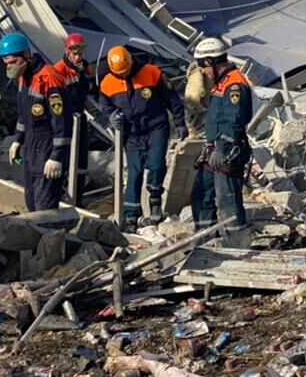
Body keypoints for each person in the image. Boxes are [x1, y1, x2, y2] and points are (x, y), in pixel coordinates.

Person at [99, 46, 187, 231]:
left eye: (126, 72)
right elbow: (104, 106)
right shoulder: (107, 83)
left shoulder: (152, 73)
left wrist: (180, 123)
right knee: (134, 173)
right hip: (131, 133)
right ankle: (131, 216)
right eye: (120, 74)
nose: (124, 76)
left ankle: (155, 198)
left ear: (131, 62)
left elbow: (172, 100)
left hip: (155, 126)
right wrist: (112, 116)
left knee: (156, 164)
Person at [0, 32, 71, 212]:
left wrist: (56, 157)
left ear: (27, 55)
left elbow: (62, 121)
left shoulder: (49, 78)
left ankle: (50, 238)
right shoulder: (24, 77)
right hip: (31, 145)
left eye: (13, 62)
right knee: (31, 200)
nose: (9, 67)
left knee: (44, 204)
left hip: (46, 144)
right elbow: (24, 116)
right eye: (6, 63)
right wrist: (17, 140)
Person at [190, 37, 253, 232]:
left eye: (203, 65)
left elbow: (234, 121)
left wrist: (222, 148)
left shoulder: (234, 85)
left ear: (212, 62)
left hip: (227, 152)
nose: (202, 70)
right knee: (200, 195)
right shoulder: (221, 83)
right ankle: (204, 240)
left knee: (228, 201)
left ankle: (236, 243)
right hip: (215, 151)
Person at [50, 32, 95, 204]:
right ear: (67, 51)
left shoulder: (84, 67)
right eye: (74, 53)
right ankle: (62, 194)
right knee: (66, 156)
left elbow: (89, 89)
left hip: (80, 117)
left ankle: (78, 197)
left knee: (81, 158)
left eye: (80, 53)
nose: (77, 57)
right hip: (66, 119)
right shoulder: (59, 70)